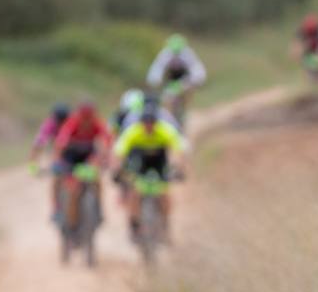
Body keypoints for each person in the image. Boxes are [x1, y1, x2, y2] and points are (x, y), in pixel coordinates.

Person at [111, 103, 189, 240]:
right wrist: (117, 170)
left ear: (156, 123)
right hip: (140, 161)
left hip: (159, 160)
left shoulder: (165, 130)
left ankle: (165, 224)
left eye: (151, 123)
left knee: (164, 194)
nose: (149, 127)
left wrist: (180, 168)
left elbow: (179, 150)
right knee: (134, 192)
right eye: (145, 124)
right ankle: (134, 225)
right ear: (141, 124)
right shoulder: (133, 132)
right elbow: (119, 152)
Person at [48, 101, 113, 223]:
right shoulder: (72, 123)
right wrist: (57, 160)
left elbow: (107, 139)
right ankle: (70, 223)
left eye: (89, 116)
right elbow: (60, 143)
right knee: (73, 189)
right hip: (71, 156)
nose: (86, 120)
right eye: (84, 117)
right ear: (79, 115)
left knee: (96, 180)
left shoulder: (97, 122)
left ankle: (99, 209)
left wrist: (107, 158)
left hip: (88, 155)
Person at [146, 34, 207, 128]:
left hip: (185, 79)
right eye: (174, 52)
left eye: (178, 52)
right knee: (167, 99)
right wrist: (155, 80)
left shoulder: (188, 54)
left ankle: (186, 112)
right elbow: (157, 68)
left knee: (187, 93)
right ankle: (169, 118)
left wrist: (193, 81)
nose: (176, 54)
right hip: (170, 79)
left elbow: (197, 69)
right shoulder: (165, 54)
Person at [28, 102, 71, 173]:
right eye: (59, 120)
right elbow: (38, 144)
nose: (61, 123)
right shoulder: (50, 123)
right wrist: (33, 167)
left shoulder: (71, 123)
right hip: (56, 146)